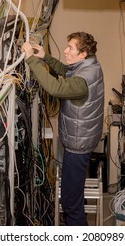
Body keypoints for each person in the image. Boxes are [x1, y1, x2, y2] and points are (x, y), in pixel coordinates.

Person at [22, 32, 104, 226]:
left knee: (69, 202)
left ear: (83, 54)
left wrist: (31, 61)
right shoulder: (89, 66)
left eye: (70, 48)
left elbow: (56, 88)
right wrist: (45, 57)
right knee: (74, 194)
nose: (65, 51)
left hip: (78, 144)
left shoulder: (82, 81)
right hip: (81, 139)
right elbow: (67, 72)